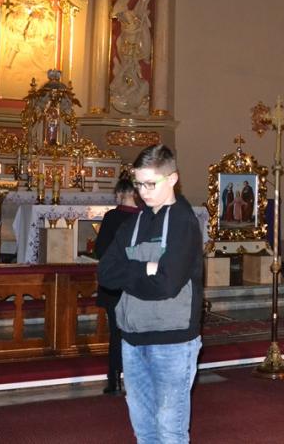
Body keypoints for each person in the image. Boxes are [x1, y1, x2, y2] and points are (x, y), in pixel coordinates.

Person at [97, 144, 204, 442]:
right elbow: (105, 274)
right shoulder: (133, 223)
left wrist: (129, 270)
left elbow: (167, 285)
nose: (143, 192)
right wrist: (147, 267)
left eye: (150, 184)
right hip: (132, 339)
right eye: (138, 184)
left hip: (172, 341)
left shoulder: (183, 223)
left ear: (172, 179)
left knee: (170, 431)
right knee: (143, 430)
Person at [94, 172, 141, 395]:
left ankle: (114, 380)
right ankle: (136, 380)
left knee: (116, 332)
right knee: (137, 332)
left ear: (122, 193)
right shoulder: (146, 217)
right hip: (138, 282)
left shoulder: (112, 217)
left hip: (115, 284)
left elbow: (100, 250)